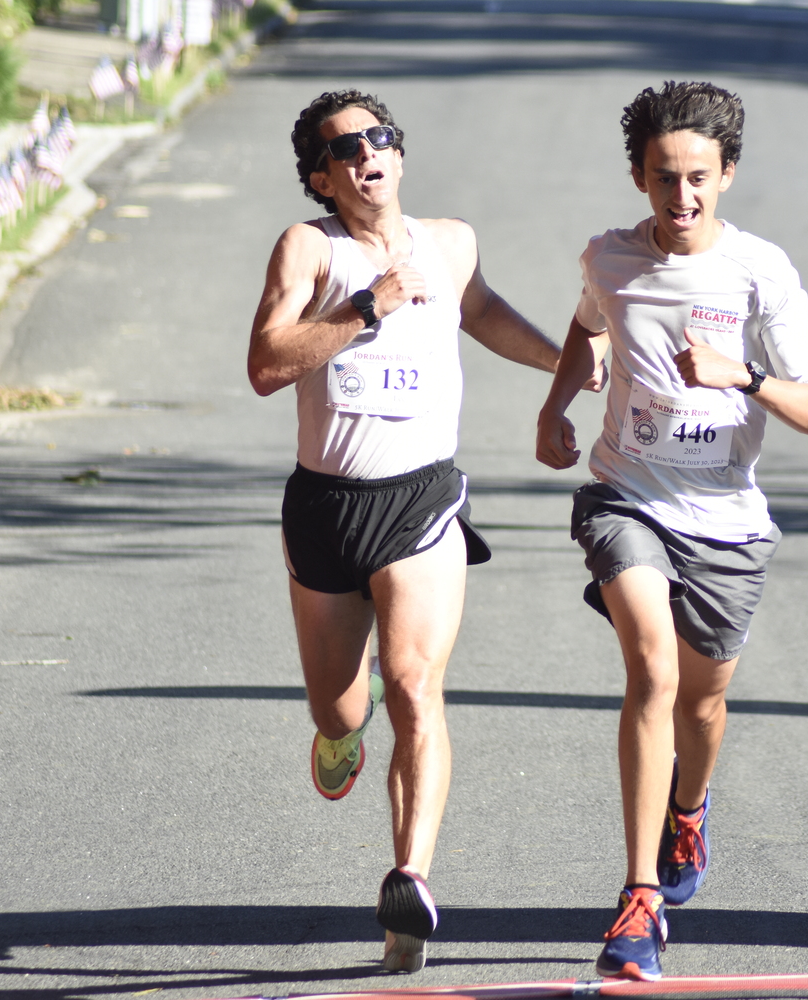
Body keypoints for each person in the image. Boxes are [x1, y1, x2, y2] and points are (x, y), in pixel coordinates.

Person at [248, 89, 571, 973]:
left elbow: (481, 311)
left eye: (378, 138)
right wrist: (366, 307)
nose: (366, 155)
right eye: (344, 148)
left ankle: (409, 883)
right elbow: (266, 365)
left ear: (398, 152)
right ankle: (339, 736)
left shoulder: (451, 241)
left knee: (414, 683)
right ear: (321, 176)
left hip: (422, 499)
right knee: (342, 704)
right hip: (326, 508)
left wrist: (570, 364)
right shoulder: (309, 248)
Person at [535, 81, 808, 982]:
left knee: (702, 704)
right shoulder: (609, 257)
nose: (683, 198)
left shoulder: (761, 273)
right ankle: (637, 900)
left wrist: (739, 376)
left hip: (728, 526)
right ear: (638, 175)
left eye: (700, 179)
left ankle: (689, 808)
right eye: (665, 178)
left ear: (728, 175)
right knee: (653, 673)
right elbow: (591, 325)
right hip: (626, 498)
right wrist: (559, 403)